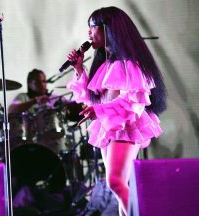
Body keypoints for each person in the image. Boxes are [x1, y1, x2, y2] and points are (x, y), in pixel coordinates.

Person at [66, 6, 166, 215]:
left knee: (116, 182)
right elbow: (91, 97)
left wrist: (99, 111)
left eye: (93, 27)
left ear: (108, 28)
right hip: (107, 127)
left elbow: (131, 103)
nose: (89, 33)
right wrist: (78, 69)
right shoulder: (105, 64)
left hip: (125, 127)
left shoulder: (129, 65)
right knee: (119, 185)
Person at [8, 68, 69, 153]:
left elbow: (70, 105)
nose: (42, 84)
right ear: (29, 84)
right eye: (37, 82)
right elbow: (11, 109)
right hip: (30, 142)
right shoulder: (24, 97)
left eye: (44, 81)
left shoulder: (53, 97)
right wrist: (35, 101)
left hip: (55, 141)